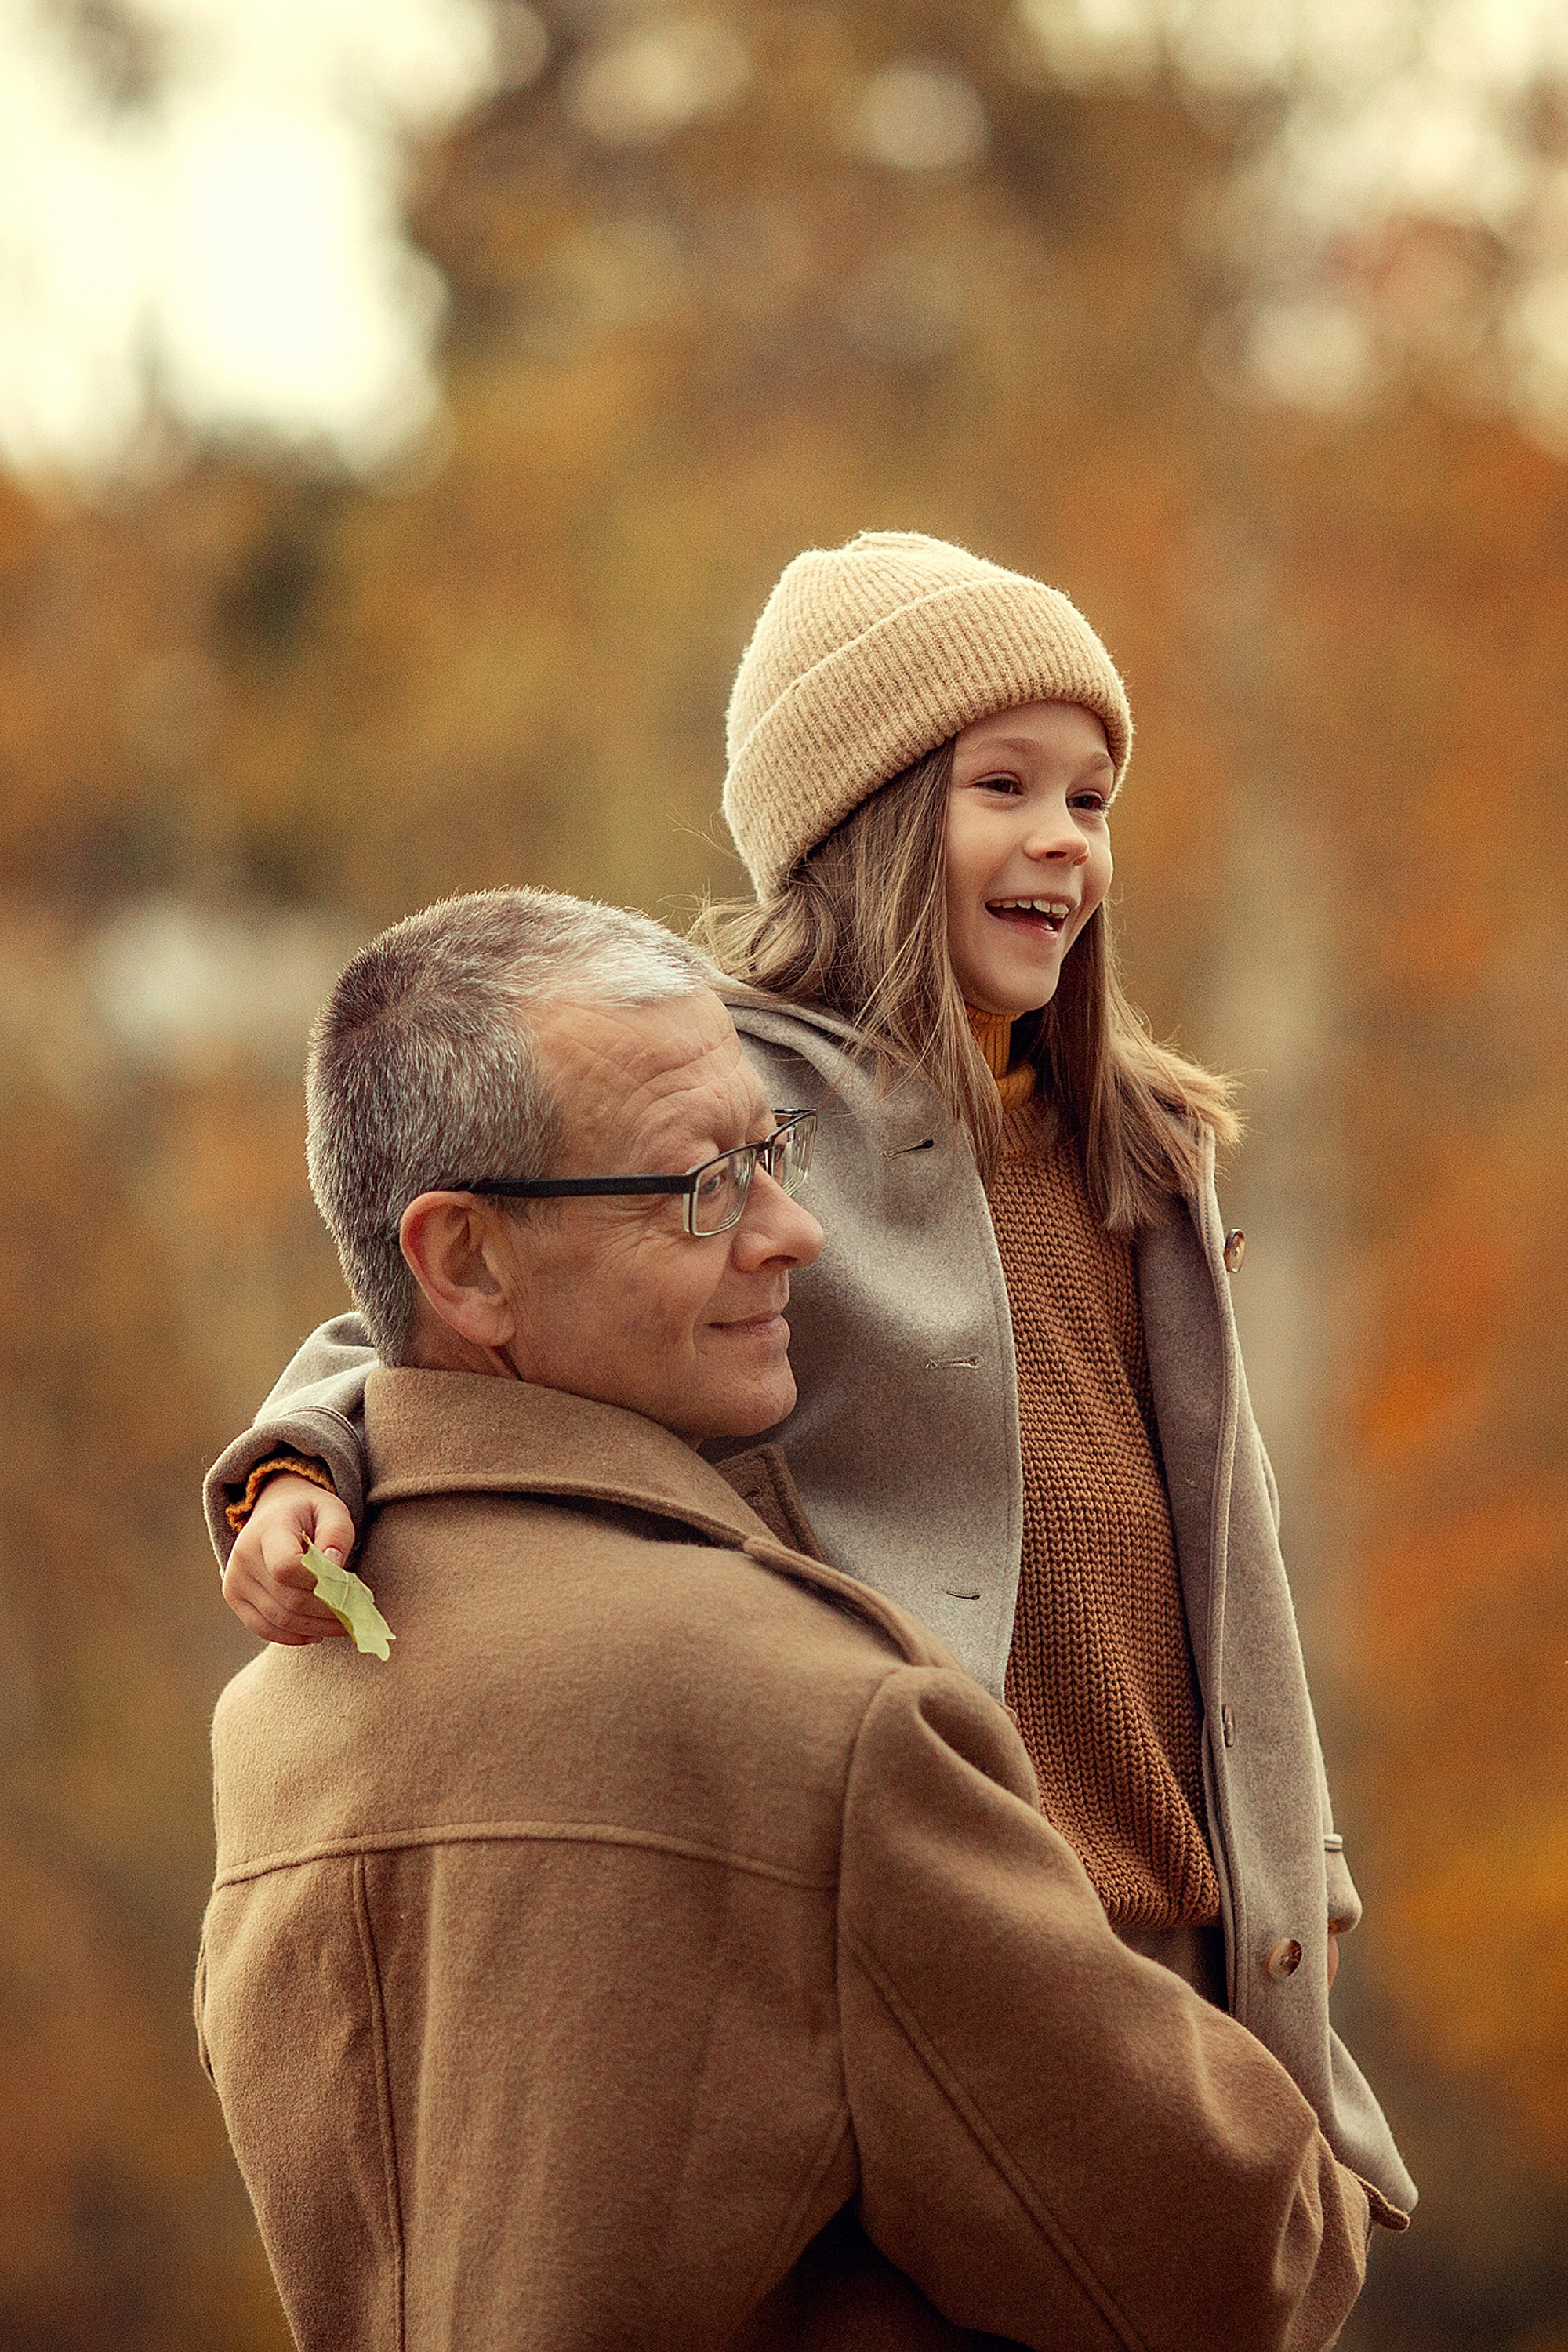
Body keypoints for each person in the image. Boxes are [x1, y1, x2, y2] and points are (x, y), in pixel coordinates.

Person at [204, 531, 1414, 2216]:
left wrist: (1309, 1866)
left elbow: (1222, 1545)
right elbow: (430, 1304)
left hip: (1201, 1936)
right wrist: (298, 1471)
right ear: (863, 821)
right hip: (963, 1921)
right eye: (1005, 787)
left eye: (1092, 799)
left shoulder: (1138, 1145)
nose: (1063, 842)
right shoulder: (748, 1103)